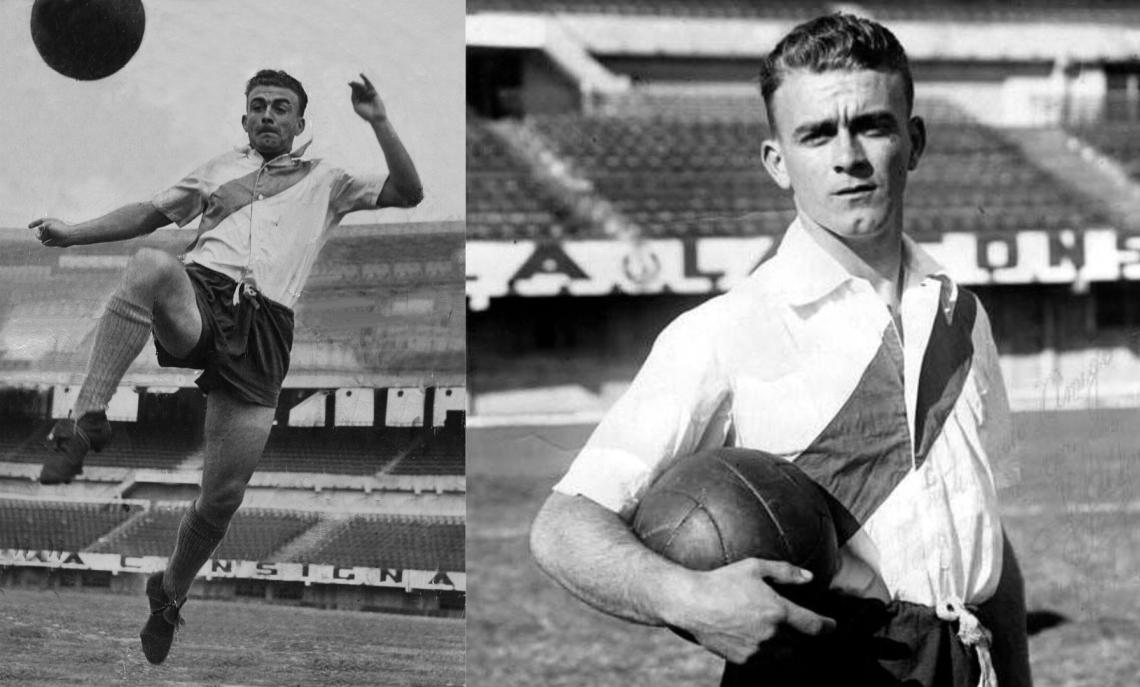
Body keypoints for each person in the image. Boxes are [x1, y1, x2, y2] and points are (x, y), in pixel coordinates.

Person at [530, 14, 1031, 687]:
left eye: (872, 126)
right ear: (778, 162)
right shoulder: (724, 330)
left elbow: (986, 539)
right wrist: (688, 598)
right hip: (822, 670)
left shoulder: (962, 316)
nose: (848, 156)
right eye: (817, 134)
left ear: (912, 142)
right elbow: (563, 526)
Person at [30, 69, 422, 665]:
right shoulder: (216, 169)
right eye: (257, 106)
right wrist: (72, 233)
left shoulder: (329, 180)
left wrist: (379, 121)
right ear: (244, 119)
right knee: (151, 265)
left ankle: (168, 595)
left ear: (298, 123)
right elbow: (148, 214)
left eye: (280, 107)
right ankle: (87, 417)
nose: (267, 115)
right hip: (203, 297)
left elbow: (408, 193)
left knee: (221, 499)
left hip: (265, 331)